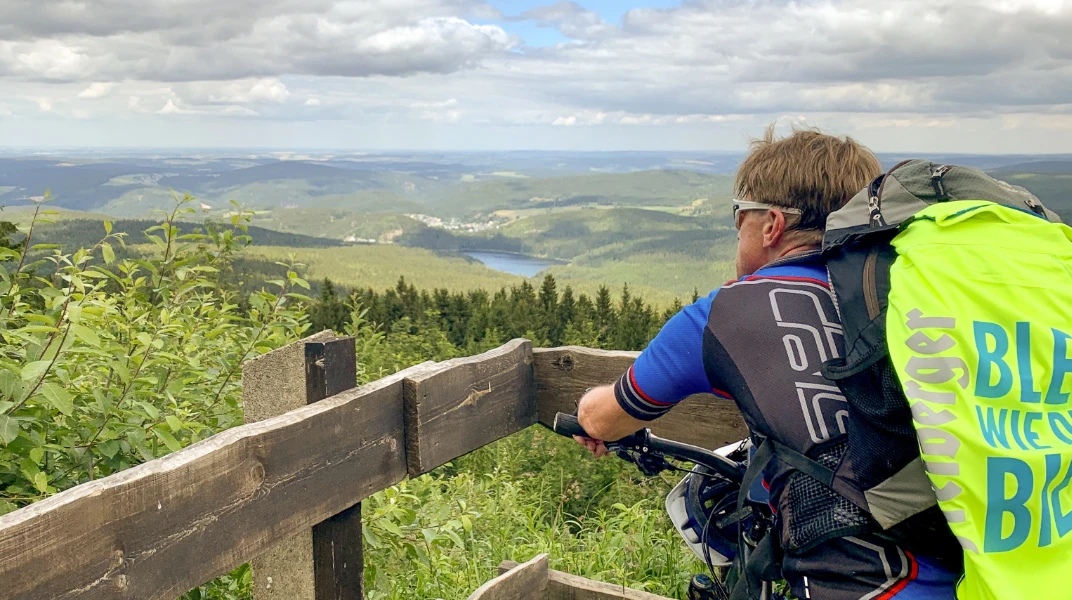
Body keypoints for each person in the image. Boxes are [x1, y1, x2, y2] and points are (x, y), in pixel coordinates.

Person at [573, 126, 959, 600]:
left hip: (858, 586)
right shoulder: (922, 294)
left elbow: (602, 416)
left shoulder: (726, 313)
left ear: (772, 224)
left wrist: (590, 417)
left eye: (741, 217)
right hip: (987, 575)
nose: (739, 229)